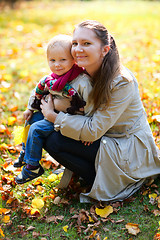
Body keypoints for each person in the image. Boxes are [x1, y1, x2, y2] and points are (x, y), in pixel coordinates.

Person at [18, 20, 160, 204]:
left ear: (104, 50)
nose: (78, 49)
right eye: (75, 43)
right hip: (96, 135)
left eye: (86, 44)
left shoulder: (122, 82)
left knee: (52, 137)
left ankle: (99, 177)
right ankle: (47, 162)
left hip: (122, 145)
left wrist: (53, 116)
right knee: (38, 119)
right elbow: (49, 86)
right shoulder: (79, 71)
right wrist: (35, 107)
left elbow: (93, 131)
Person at [14, 34, 92, 184]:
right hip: (52, 114)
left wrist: (88, 131)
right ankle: (25, 152)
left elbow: (90, 106)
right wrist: (30, 108)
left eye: (63, 60)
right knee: (31, 120)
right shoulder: (51, 79)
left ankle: (32, 167)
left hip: (67, 119)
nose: (57, 65)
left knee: (36, 129)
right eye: (52, 60)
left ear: (73, 59)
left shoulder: (81, 81)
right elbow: (37, 91)